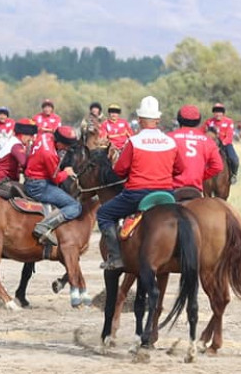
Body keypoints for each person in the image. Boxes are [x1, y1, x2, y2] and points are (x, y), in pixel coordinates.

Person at [96, 96, 183, 270]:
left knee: (104, 214)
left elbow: (119, 171)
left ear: (140, 120)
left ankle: (115, 258)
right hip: (166, 194)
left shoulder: (134, 142)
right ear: (158, 119)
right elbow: (180, 169)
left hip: (137, 194)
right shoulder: (170, 142)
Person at [24, 126, 81, 245]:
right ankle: (44, 226)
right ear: (59, 143)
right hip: (38, 186)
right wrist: (67, 172)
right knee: (74, 206)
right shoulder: (50, 154)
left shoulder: (45, 136)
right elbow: (56, 179)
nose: (67, 148)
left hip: (32, 177)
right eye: (66, 145)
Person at [169, 104, 223, 201]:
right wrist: (201, 176)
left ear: (179, 120)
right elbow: (218, 166)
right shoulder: (208, 141)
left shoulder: (169, 138)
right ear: (198, 121)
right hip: (195, 190)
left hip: (173, 189)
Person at [0, 118, 36, 199]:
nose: (31, 139)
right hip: (0, 183)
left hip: (0, 181)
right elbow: (25, 163)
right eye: (30, 135)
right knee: (32, 192)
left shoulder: (14, 142)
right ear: (22, 134)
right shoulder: (16, 145)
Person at [204, 103, 240, 183]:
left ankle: (233, 175)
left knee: (234, 159)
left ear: (223, 113)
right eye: (216, 112)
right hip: (211, 145)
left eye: (220, 112)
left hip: (225, 144)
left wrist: (223, 143)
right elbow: (204, 133)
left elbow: (229, 135)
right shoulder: (209, 122)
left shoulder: (229, 121)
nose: (218, 114)